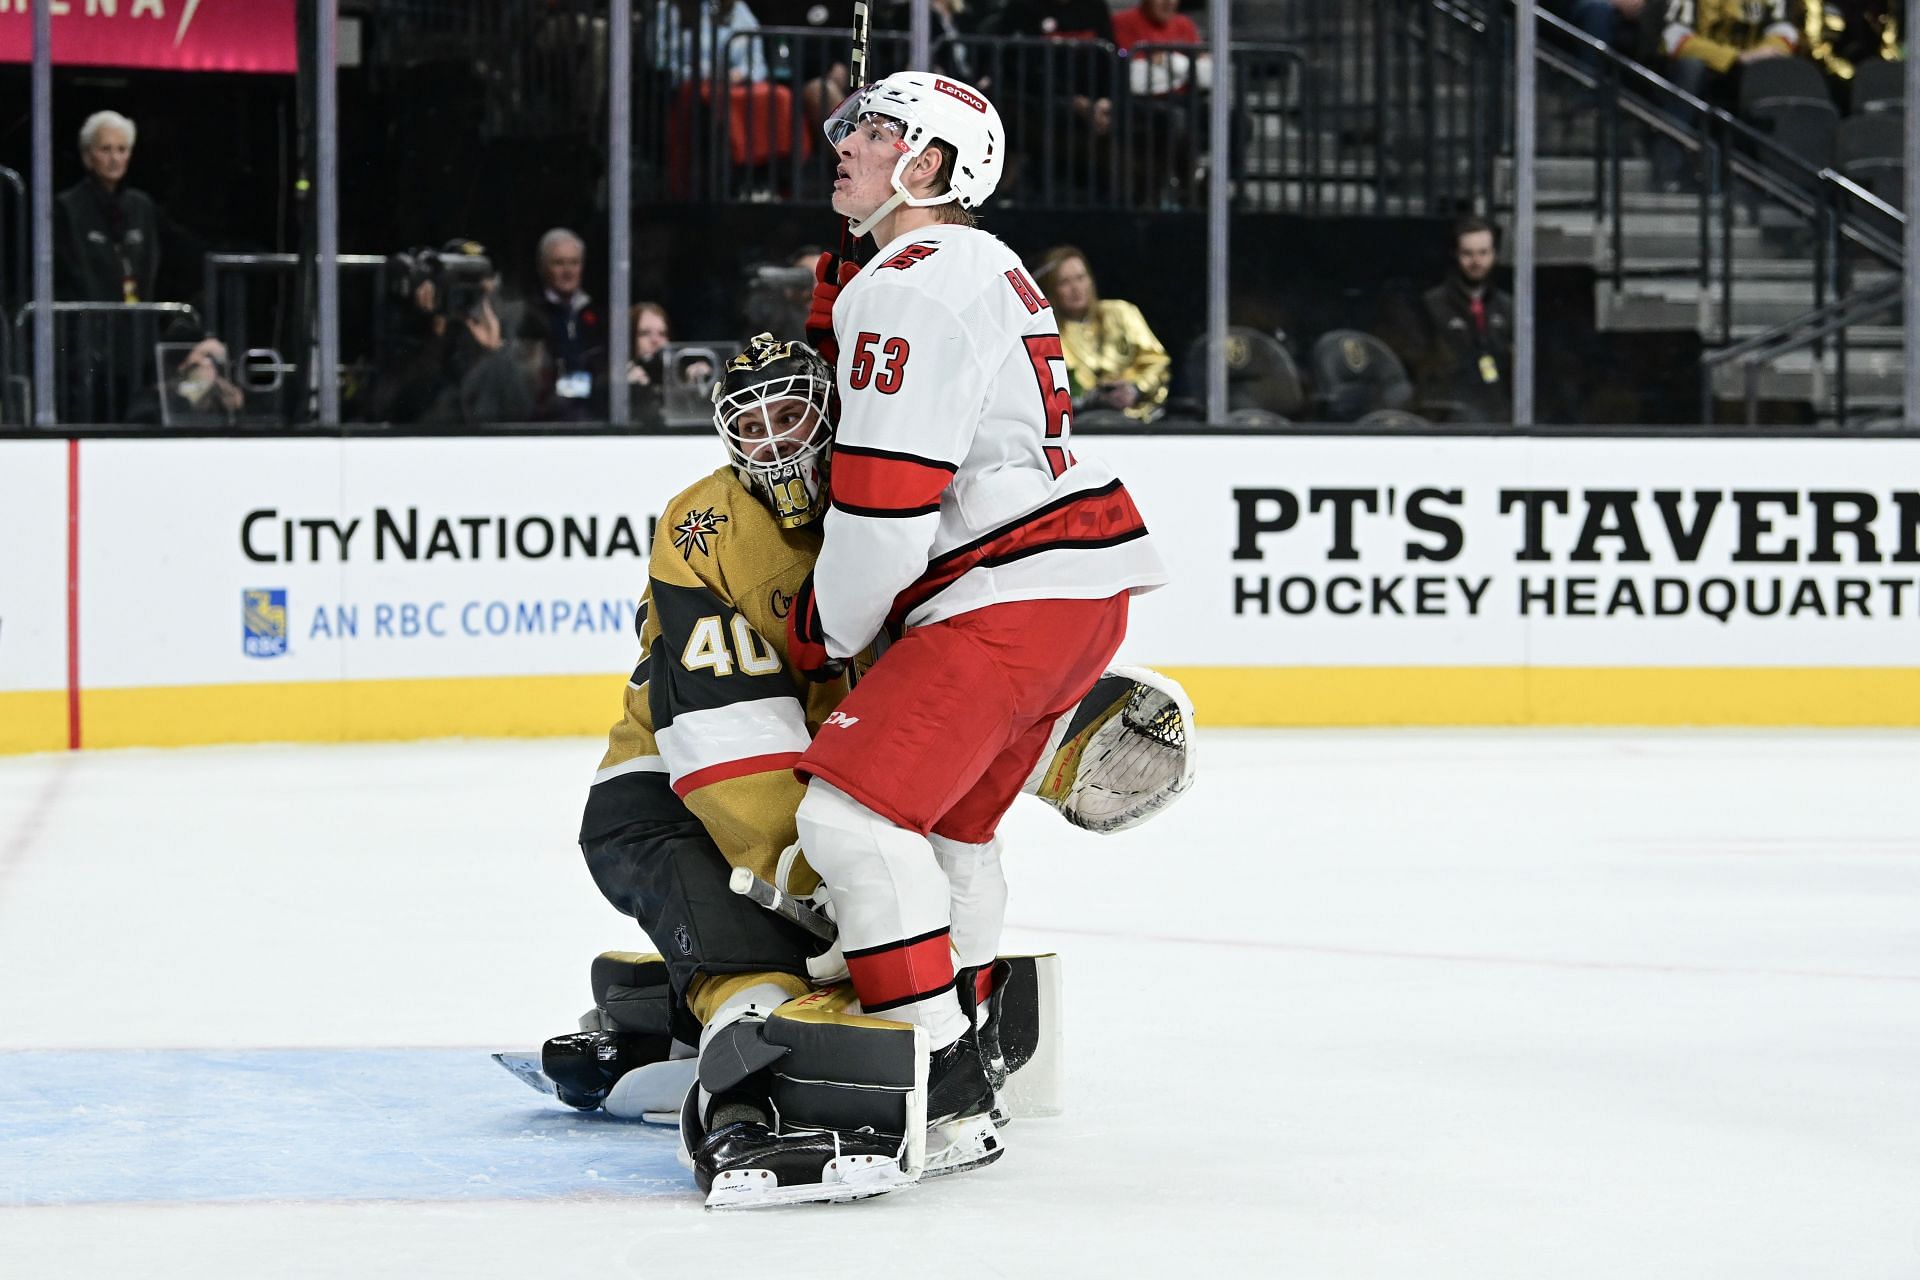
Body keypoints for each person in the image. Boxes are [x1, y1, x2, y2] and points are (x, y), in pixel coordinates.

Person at [513, 333, 1194, 1207]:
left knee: (873, 912)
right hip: (669, 796)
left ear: (833, 407)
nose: (777, 441)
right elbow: (727, 742)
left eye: (793, 413)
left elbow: (955, 696)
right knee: (775, 960)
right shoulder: (703, 529)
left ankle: (682, 1006)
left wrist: (1042, 736)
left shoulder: (899, 500)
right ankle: (738, 1067)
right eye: (751, 426)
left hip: (821, 786)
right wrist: (816, 885)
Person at [789, 72, 1167, 1147]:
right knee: (952, 834)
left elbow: (885, 502)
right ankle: (974, 1044)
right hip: (1077, 594)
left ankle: (928, 1072)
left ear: (934, 165)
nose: (848, 143)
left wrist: (831, 620)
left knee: (849, 820)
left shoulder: (909, 285)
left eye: (876, 130)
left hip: (1003, 594)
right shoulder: (973, 263)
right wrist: (845, 307)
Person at [1031, 244, 1172, 423]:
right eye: (1064, 282)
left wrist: (1134, 388)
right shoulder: (1047, 333)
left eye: (1081, 278)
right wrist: (1095, 399)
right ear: (1051, 290)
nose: (1076, 288)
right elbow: (1047, 390)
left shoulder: (1121, 312)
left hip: (1139, 419)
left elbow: (1157, 362)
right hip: (1081, 425)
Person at [1418, 216, 1514, 424]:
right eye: (1467, 254)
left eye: (1483, 253)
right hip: (1450, 413)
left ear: (1494, 255)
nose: (1476, 262)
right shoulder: (1432, 304)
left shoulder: (1508, 306)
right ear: (1455, 255)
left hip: (1500, 413)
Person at [520, 228, 607, 422]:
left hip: (593, 416)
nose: (568, 271)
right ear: (542, 267)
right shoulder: (529, 315)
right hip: (545, 419)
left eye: (574, 263)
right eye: (559, 263)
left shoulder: (599, 315)